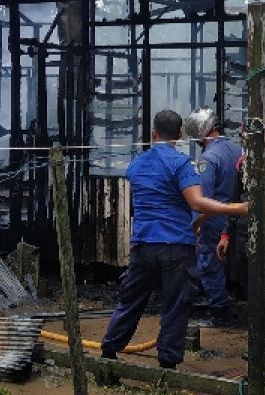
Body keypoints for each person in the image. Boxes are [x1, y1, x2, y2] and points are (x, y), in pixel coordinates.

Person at [100, 110, 248, 368]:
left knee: (131, 300)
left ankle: (109, 352)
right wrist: (238, 208)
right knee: (176, 305)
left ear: (153, 133)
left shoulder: (137, 164)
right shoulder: (182, 164)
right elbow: (197, 202)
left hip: (143, 245)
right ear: (180, 136)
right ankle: (167, 364)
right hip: (177, 246)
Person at [217, 111, 265, 378]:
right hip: (242, 239)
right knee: (252, 296)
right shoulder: (242, 164)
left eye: (263, 133)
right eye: (250, 134)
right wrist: (226, 235)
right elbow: (234, 201)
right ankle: (257, 346)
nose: (256, 139)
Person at [183, 107, 242, 328]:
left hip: (214, 219)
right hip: (237, 217)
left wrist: (196, 222)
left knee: (209, 263)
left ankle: (219, 311)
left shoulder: (208, 159)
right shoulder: (238, 149)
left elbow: (202, 198)